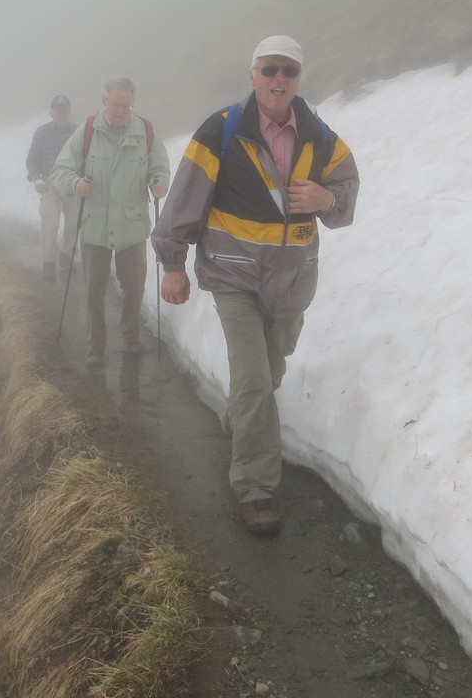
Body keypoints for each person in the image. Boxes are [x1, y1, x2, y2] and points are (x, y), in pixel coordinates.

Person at [151, 36, 359, 535]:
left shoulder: (321, 137)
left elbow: (347, 196)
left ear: (298, 78)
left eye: (288, 71)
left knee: (268, 376)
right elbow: (184, 199)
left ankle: (245, 427)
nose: (278, 79)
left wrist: (325, 198)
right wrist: (173, 263)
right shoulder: (222, 131)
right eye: (269, 69)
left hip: (291, 282)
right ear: (252, 74)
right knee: (252, 379)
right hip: (234, 275)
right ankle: (255, 488)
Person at [51, 76, 170, 366]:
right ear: (104, 101)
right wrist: (75, 183)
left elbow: (160, 167)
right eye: (116, 104)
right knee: (95, 290)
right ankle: (95, 346)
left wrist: (159, 182)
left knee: (134, 287)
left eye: (126, 105)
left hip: (132, 224)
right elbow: (60, 170)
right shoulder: (88, 131)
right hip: (95, 225)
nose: (121, 111)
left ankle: (131, 339)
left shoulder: (146, 131)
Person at [25, 95, 79, 281]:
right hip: (49, 183)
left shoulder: (77, 132)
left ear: (69, 112)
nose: (62, 114)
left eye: (65, 111)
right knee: (50, 223)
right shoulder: (41, 132)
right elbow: (32, 159)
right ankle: (49, 263)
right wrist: (36, 179)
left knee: (74, 223)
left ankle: (67, 257)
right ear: (51, 113)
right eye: (58, 111)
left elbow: (86, 158)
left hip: (72, 182)